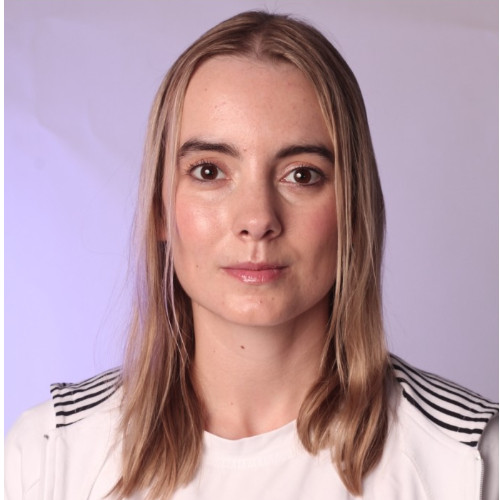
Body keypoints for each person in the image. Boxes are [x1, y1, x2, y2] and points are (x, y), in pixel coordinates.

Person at [6, 10, 498, 500]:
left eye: (301, 175)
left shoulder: (469, 462)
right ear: (160, 209)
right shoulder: (50, 457)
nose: (257, 218)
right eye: (209, 172)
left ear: (354, 209)